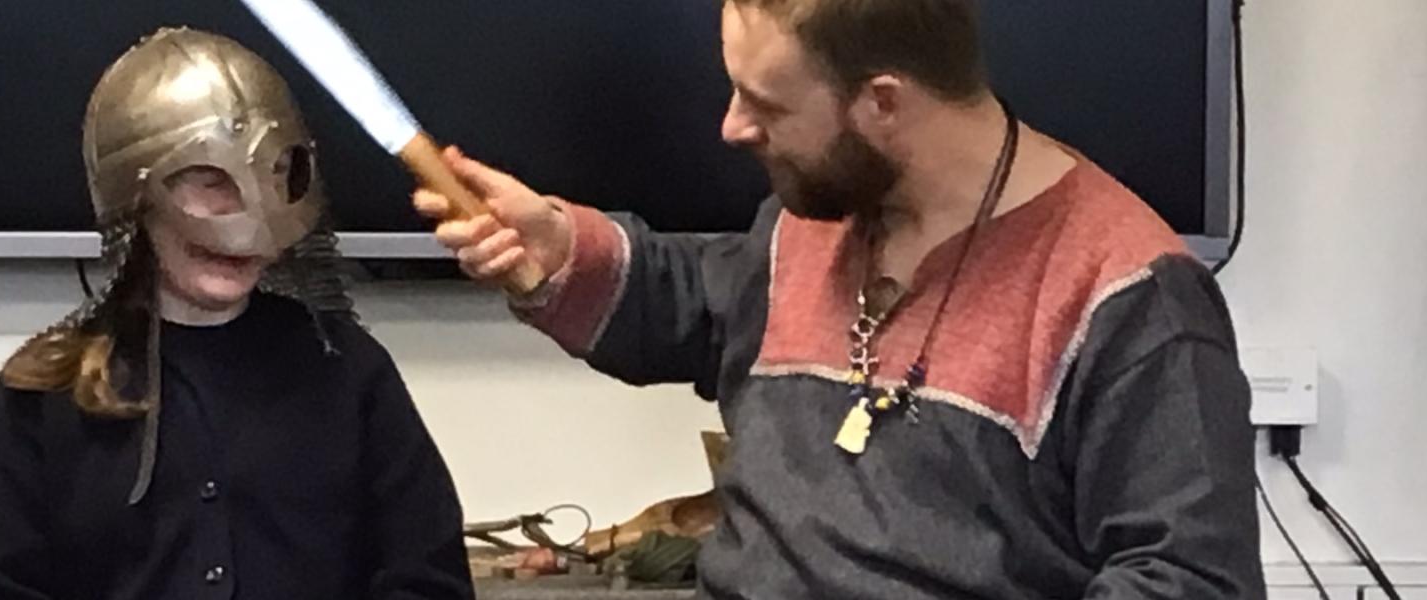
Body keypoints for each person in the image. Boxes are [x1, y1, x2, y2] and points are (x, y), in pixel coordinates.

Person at [414, 0, 1265, 598]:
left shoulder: (1131, 300)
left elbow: (1188, 581)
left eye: (766, 103)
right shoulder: (811, 221)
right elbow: (697, 309)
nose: (733, 127)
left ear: (882, 103)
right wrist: (560, 254)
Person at [0, 27, 473, 600]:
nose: (245, 214)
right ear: (134, 197)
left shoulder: (344, 368)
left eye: (273, 176)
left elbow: (428, 579)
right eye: (209, 181)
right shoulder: (48, 391)